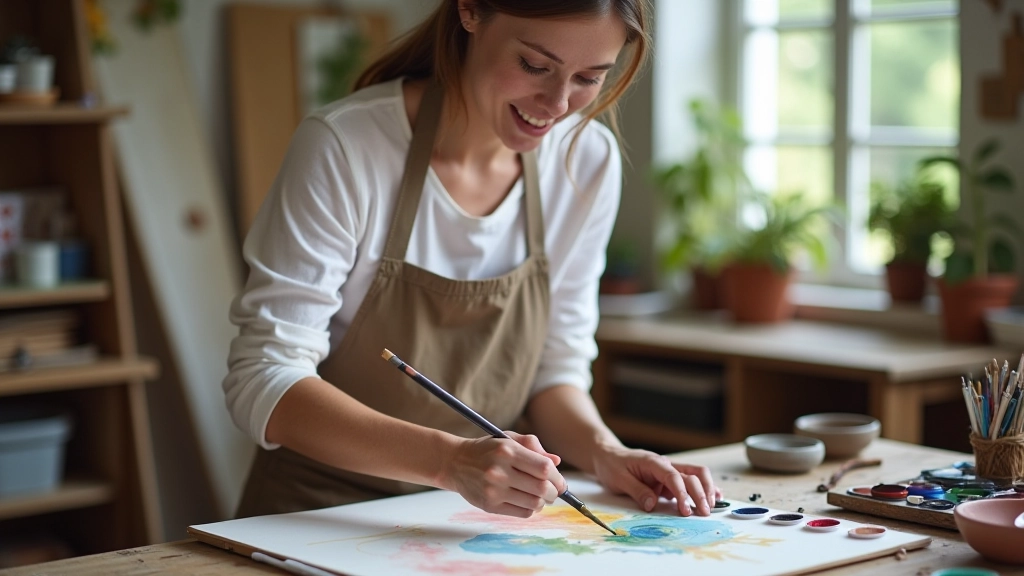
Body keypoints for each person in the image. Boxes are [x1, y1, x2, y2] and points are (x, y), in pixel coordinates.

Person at [225, 0, 720, 521]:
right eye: (534, 66)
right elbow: (264, 378)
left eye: (589, 77)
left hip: (474, 525)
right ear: (471, 12)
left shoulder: (585, 161)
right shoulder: (347, 147)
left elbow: (555, 371)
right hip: (316, 515)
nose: (556, 103)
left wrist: (605, 452)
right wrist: (449, 461)